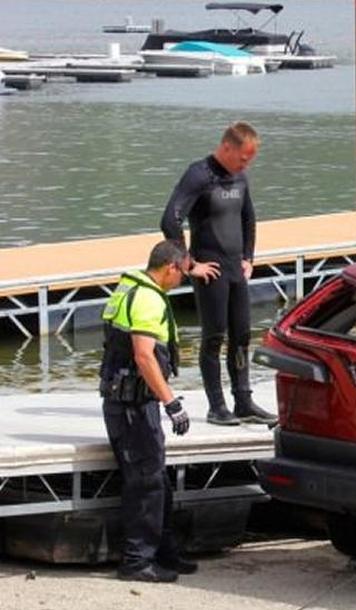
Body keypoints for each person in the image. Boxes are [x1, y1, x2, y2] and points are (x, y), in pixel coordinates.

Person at [160, 121, 276, 427]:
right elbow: (170, 220)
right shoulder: (199, 175)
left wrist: (249, 258)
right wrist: (189, 264)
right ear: (227, 147)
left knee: (241, 336)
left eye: (250, 160)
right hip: (210, 271)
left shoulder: (240, 177)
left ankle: (243, 401)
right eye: (242, 158)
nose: (246, 164)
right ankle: (216, 406)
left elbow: (249, 217)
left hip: (236, 268)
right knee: (214, 337)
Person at [99, 240, 198, 582]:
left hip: (132, 402)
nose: (183, 279)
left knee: (158, 480)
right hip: (132, 406)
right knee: (145, 483)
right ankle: (136, 561)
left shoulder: (130, 285)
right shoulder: (147, 299)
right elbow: (143, 356)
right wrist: (172, 403)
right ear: (170, 267)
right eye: (183, 273)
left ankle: (164, 552)